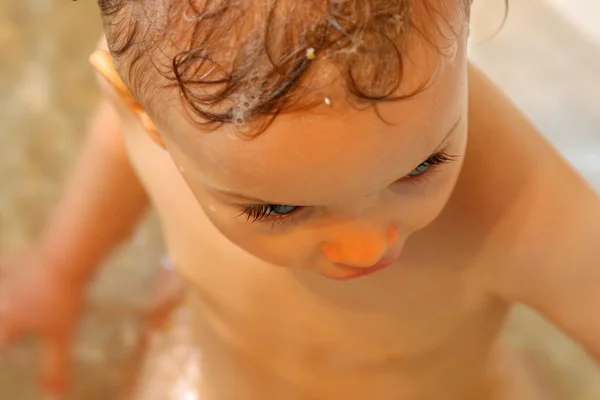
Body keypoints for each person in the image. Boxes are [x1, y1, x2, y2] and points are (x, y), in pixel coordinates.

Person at [1, 0, 599, 398]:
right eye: (279, 208)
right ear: (151, 120)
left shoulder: (511, 200)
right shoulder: (173, 104)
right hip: (212, 376)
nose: (367, 244)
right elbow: (116, 143)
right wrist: (61, 269)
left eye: (421, 165)